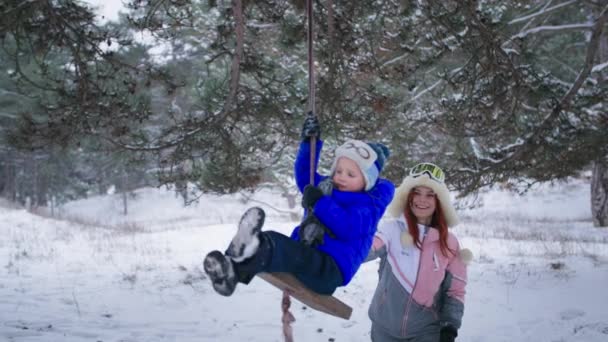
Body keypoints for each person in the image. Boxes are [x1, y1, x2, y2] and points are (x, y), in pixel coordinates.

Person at [203, 114, 395, 297]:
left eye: (351, 174)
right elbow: (306, 177)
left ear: (368, 181)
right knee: (270, 241)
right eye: (338, 171)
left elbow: (347, 226)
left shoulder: (368, 207)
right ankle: (231, 270)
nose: (342, 177)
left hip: (330, 269)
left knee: (280, 247)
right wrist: (309, 144)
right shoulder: (327, 188)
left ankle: (246, 250)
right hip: (306, 254)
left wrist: (319, 202)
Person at [366, 163, 472, 342]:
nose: (422, 200)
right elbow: (363, 252)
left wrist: (450, 326)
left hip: (426, 332)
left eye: (430, 195)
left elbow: (455, 291)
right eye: (417, 192)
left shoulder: (450, 243)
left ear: (439, 201)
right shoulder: (391, 230)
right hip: (384, 329)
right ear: (407, 196)